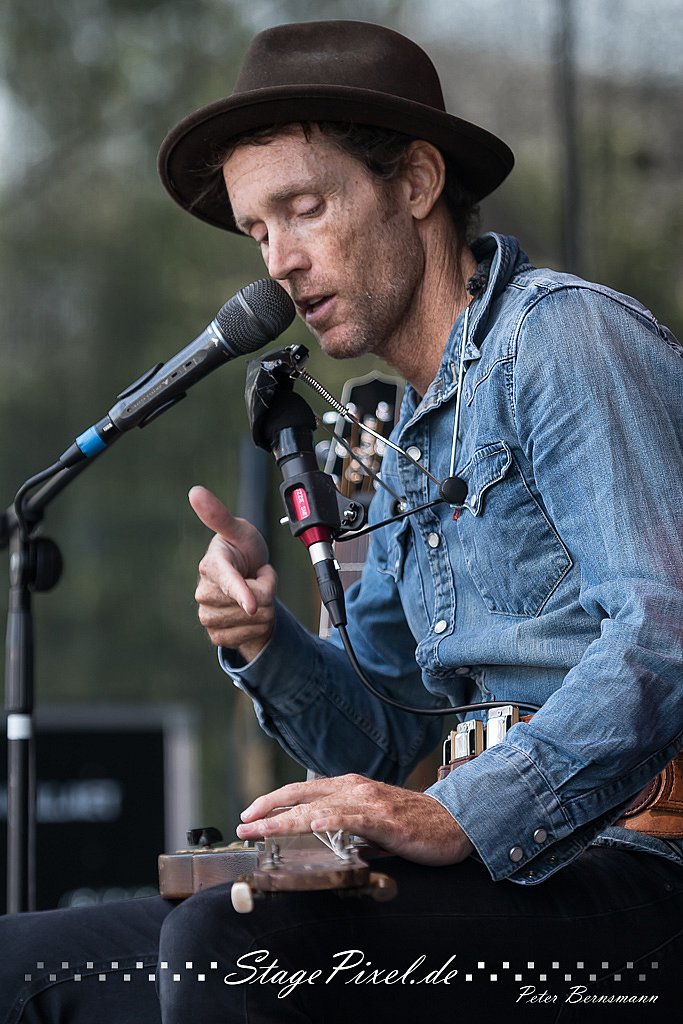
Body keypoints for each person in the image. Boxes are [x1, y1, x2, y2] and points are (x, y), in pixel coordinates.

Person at [2, 20, 682, 1023]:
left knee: (230, 946)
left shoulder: (562, 339)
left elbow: (665, 631)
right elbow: (375, 738)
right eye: (256, 231)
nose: (279, 261)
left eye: (305, 208)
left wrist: (458, 815)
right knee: (19, 965)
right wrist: (260, 639)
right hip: (491, 878)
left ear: (415, 183)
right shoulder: (402, 438)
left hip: (633, 875)